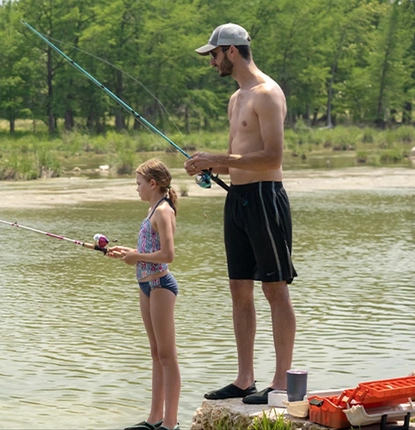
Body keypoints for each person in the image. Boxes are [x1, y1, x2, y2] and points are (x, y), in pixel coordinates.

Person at [185, 22, 297, 405]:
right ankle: (245, 378)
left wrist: (217, 159)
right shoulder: (236, 98)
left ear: (231, 51)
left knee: (275, 288)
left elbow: (273, 158)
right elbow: (240, 157)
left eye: (213, 54)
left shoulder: (267, 94)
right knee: (239, 288)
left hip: (266, 198)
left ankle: (281, 381)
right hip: (238, 199)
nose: (211, 62)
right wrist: (209, 166)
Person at [107, 159, 181, 430]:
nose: (135, 188)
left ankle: (170, 423)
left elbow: (168, 256)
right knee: (155, 353)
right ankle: (154, 418)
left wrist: (136, 256)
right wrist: (130, 252)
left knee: (167, 355)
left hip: (161, 286)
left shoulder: (163, 211)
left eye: (138, 183)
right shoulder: (152, 209)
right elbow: (151, 248)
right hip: (145, 285)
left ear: (153, 184)